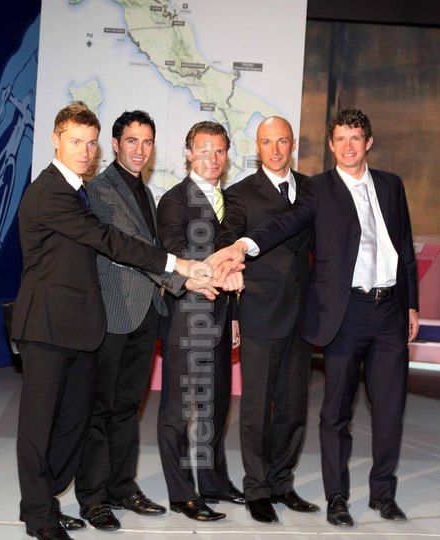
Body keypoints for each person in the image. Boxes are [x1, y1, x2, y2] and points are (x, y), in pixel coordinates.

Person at [11, 102, 220, 540]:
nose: (84, 151)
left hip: (81, 325)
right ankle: (39, 515)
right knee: (39, 425)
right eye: (76, 142)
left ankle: (49, 500)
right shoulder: (52, 192)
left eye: (89, 143)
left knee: (74, 422)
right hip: (47, 325)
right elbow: (109, 239)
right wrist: (178, 266)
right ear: (55, 140)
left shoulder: (78, 191)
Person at [213, 108, 419, 527]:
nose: (348, 146)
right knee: (333, 412)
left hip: (389, 312)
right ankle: (335, 498)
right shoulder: (318, 189)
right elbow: (286, 223)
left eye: (355, 138)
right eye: (340, 139)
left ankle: (383, 494)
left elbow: (404, 247)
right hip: (343, 313)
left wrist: (411, 304)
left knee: (389, 409)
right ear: (330, 145)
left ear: (368, 142)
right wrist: (244, 245)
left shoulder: (391, 185)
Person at [74, 110, 192, 530]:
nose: (140, 150)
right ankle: (92, 498)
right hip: (111, 314)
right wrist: (187, 277)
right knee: (99, 408)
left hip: (144, 314)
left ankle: (122, 486)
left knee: (127, 407)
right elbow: (133, 245)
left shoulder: (147, 193)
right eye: (132, 141)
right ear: (116, 144)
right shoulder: (101, 189)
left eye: (147, 142)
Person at [217, 116, 319, 523]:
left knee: (293, 406)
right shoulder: (240, 194)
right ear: (257, 147)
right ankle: (257, 488)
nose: (275, 150)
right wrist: (234, 311)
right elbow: (228, 244)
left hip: (303, 314)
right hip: (260, 312)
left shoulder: (312, 189)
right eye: (266, 142)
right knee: (257, 407)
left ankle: (281, 482)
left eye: (282, 141)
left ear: (293, 144)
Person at [156, 121, 245, 522]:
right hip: (187, 317)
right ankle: (181, 493)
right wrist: (219, 270)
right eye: (204, 150)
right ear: (189, 153)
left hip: (222, 318)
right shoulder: (174, 200)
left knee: (215, 406)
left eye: (220, 151)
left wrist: (235, 316)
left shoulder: (231, 201)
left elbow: (238, 259)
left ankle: (213, 482)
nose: (213, 158)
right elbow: (176, 253)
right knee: (178, 411)